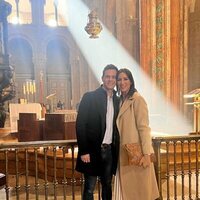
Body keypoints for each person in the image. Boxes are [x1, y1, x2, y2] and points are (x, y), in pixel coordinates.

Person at [114, 68, 159, 200]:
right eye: (119, 79)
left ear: (131, 81)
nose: (122, 82)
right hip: (123, 154)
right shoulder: (120, 100)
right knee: (127, 192)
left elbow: (144, 128)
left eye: (125, 79)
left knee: (139, 192)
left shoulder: (137, 99)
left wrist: (147, 154)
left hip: (136, 155)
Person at [76, 64, 120, 200]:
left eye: (113, 77)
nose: (110, 80)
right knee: (89, 188)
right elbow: (80, 124)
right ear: (102, 78)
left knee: (107, 185)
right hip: (92, 150)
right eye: (107, 76)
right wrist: (84, 151)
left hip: (109, 151)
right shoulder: (90, 97)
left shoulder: (118, 101)